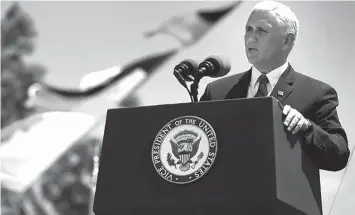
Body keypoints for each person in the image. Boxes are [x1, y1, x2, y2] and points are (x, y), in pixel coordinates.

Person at [199, 1, 350, 171]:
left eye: (261, 31)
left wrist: (307, 128)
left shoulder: (317, 93)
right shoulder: (217, 91)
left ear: (287, 40)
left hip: (281, 197)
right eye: (248, 29)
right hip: (223, 195)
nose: (251, 37)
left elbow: (340, 155)